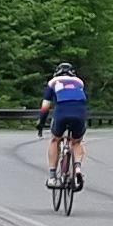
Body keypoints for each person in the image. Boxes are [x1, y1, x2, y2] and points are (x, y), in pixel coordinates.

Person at [37, 60, 92, 189]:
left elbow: (45, 107)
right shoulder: (79, 82)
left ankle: (52, 177)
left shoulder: (53, 82)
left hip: (62, 110)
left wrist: (41, 123)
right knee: (77, 142)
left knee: (55, 140)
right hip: (79, 111)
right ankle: (77, 168)